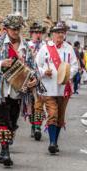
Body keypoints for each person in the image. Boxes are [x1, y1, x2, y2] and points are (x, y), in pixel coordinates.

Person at [0, 14, 41, 167]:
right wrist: (1, 63)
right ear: (6, 28)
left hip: (18, 91)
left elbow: (33, 68)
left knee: (12, 122)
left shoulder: (26, 47)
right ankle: (5, 152)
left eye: (18, 28)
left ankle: (5, 146)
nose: (16, 31)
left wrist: (34, 79)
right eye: (13, 28)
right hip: (1, 89)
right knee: (3, 120)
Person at [35, 21, 78, 155]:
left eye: (62, 32)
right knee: (52, 114)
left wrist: (66, 74)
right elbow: (37, 65)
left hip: (64, 88)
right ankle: (52, 143)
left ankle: (55, 140)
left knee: (60, 117)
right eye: (58, 32)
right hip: (48, 88)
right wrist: (43, 72)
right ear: (53, 34)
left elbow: (75, 66)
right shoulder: (45, 48)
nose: (61, 35)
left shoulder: (69, 48)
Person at [27, 22, 46, 140]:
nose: (38, 35)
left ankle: (37, 127)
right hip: (28, 78)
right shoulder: (27, 45)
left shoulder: (45, 46)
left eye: (40, 33)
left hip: (41, 79)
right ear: (31, 34)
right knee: (30, 105)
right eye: (36, 33)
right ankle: (33, 125)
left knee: (38, 104)